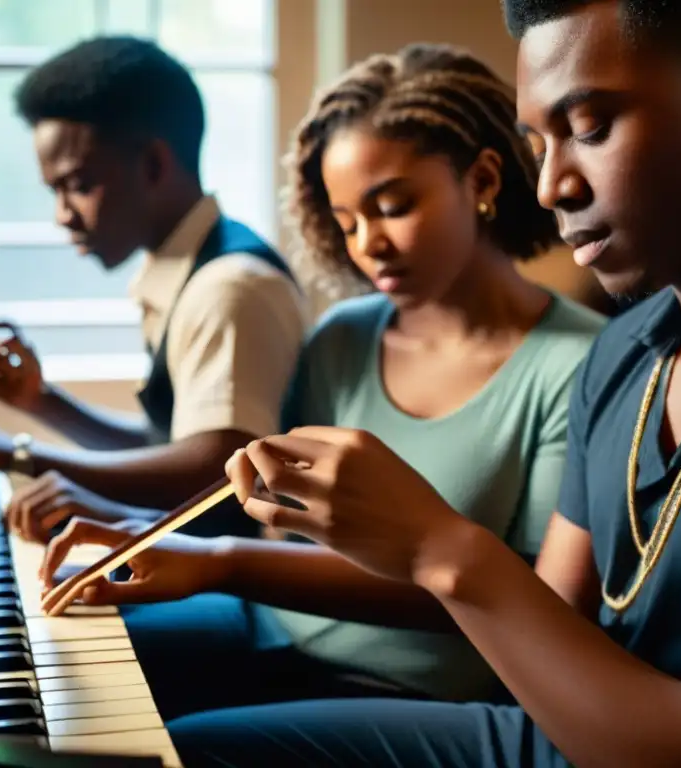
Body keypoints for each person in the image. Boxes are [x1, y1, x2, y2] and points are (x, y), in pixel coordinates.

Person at [83, 1, 681, 765]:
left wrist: (434, 543)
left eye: (591, 127)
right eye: (540, 143)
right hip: (542, 736)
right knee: (174, 751)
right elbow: (553, 621)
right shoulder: (625, 353)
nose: (549, 187)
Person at [39, 42, 606, 725]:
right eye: (346, 222)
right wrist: (161, 537)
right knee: (56, 666)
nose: (367, 243)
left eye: (392, 206)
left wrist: (220, 561)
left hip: (416, 694)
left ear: (483, 182)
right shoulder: (343, 337)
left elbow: (526, 602)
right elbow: (279, 529)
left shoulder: (578, 363)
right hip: (273, 629)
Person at [0, 36, 306, 539]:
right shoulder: (191, 269)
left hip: (253, 596)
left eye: (78, 185)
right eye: (54, 191)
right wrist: (41, 402)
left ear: (154, 165)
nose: (62, 216)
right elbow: (172, 447)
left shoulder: (229, 288)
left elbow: (216, 469)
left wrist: (15, 454)